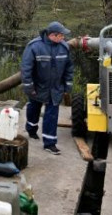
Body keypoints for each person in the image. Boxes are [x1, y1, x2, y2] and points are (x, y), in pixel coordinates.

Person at [20, 21, 74, 155]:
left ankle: (50, 143)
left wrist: (68, 85)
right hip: (38, 87)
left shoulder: (64, 47)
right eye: (61, 35)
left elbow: (69, 68)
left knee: (52, 115)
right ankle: (31, 129)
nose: (63, 38)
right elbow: (26, 69)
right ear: (53, 35)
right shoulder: (34, 47)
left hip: (55, 88)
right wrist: (29, 87)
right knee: (34, 109)